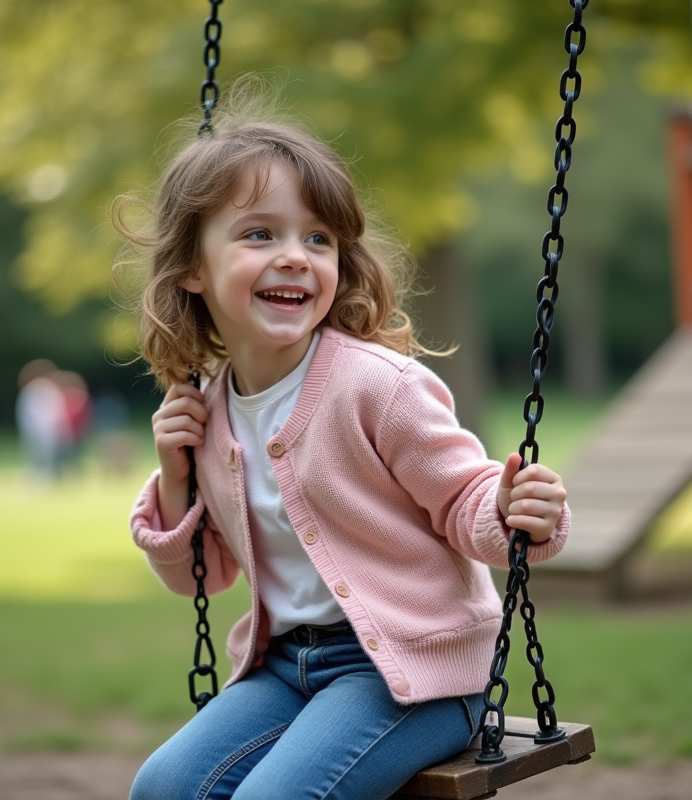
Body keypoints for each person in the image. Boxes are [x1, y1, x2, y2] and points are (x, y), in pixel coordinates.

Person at [119, 101, 571, 800]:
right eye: (260, 233)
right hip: (285, 669)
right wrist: (176, 483)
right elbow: (200, 580)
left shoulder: (376, 387)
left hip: (418, 674)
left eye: (319, 239)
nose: (295, 256)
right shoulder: (205, 411)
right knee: (163, 788)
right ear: (191, 269)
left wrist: (511, 508)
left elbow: (464, 500)